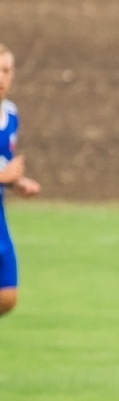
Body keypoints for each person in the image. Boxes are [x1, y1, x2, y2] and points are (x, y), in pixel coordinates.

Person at [0, 45, 43, 319]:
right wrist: (6, 177)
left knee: (7, 297)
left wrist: (17, 183)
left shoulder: (11, 115)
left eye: (5, 70)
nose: (1, 78)